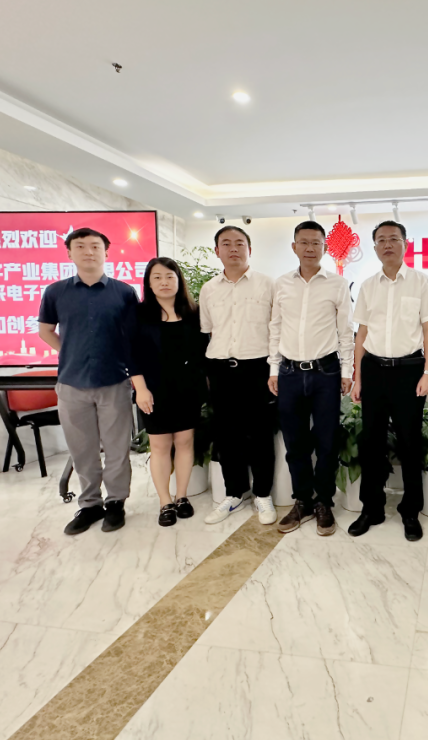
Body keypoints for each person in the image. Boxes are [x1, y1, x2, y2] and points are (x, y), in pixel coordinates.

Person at [38, 227, 138, 535]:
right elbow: (45, 331)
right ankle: (90, 504)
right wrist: (69, 352)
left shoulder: (124, 292)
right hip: (72, 384)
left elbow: (133, 337)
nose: (88, 251)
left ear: (106, 252)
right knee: (82, 449)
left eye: (95, 246)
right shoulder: (55, 291)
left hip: (114, 381)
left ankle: (116, 502)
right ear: (70, 253)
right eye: (80, 246)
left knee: (117, 448)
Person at [350, 220, 428, 541]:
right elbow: (361, 334)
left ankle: (410, 511)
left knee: (409, 443)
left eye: (393, 239)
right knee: (371, 443)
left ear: (405, 243)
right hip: (374, 370)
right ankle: (371, 508)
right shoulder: (368, 286)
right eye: (381, 240)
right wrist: (358, 377)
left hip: (409, 371)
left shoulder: (421, 282)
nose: (387, 244)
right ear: (375, 247)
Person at [269, 221, 354, 535]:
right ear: (294, 247)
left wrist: (347, 372)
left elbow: (346, 332)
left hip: (326, 372)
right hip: (289, 372)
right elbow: (275, 328)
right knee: (295, 443)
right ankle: (303, 500)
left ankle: (324, 502)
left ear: (325, 248)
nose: (309, 248)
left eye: (316, 243)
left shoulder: (337, 284)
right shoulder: (281, 284)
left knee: (327, 441)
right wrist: (273, 369)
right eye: (303, 242)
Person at [199, 226, 279, 527]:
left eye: (240, 243)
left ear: (249, 249)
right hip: (221, 369)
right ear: (217, 251)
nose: (233, 248)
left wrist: (274, 370)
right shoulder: (209, 289)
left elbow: (276, 330)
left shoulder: (267, 285)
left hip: (257, 368)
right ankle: (233, 493)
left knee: (260, 434)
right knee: (226, 434)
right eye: (226, 244)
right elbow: (208, 330)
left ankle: (262, 494)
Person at [129, 257, 209, 527]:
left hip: (188, 389)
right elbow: (132, 355)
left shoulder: (194, 313)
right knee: (160, 446)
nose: (164, 282)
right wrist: (140, 389)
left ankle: (181, 496)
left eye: (169, 277)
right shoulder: (139, 315)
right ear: (149, 284)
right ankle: (165, 501)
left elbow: (202, 353)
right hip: (153, 390)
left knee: (185, 442)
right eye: (157, 277)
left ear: (178, 281)